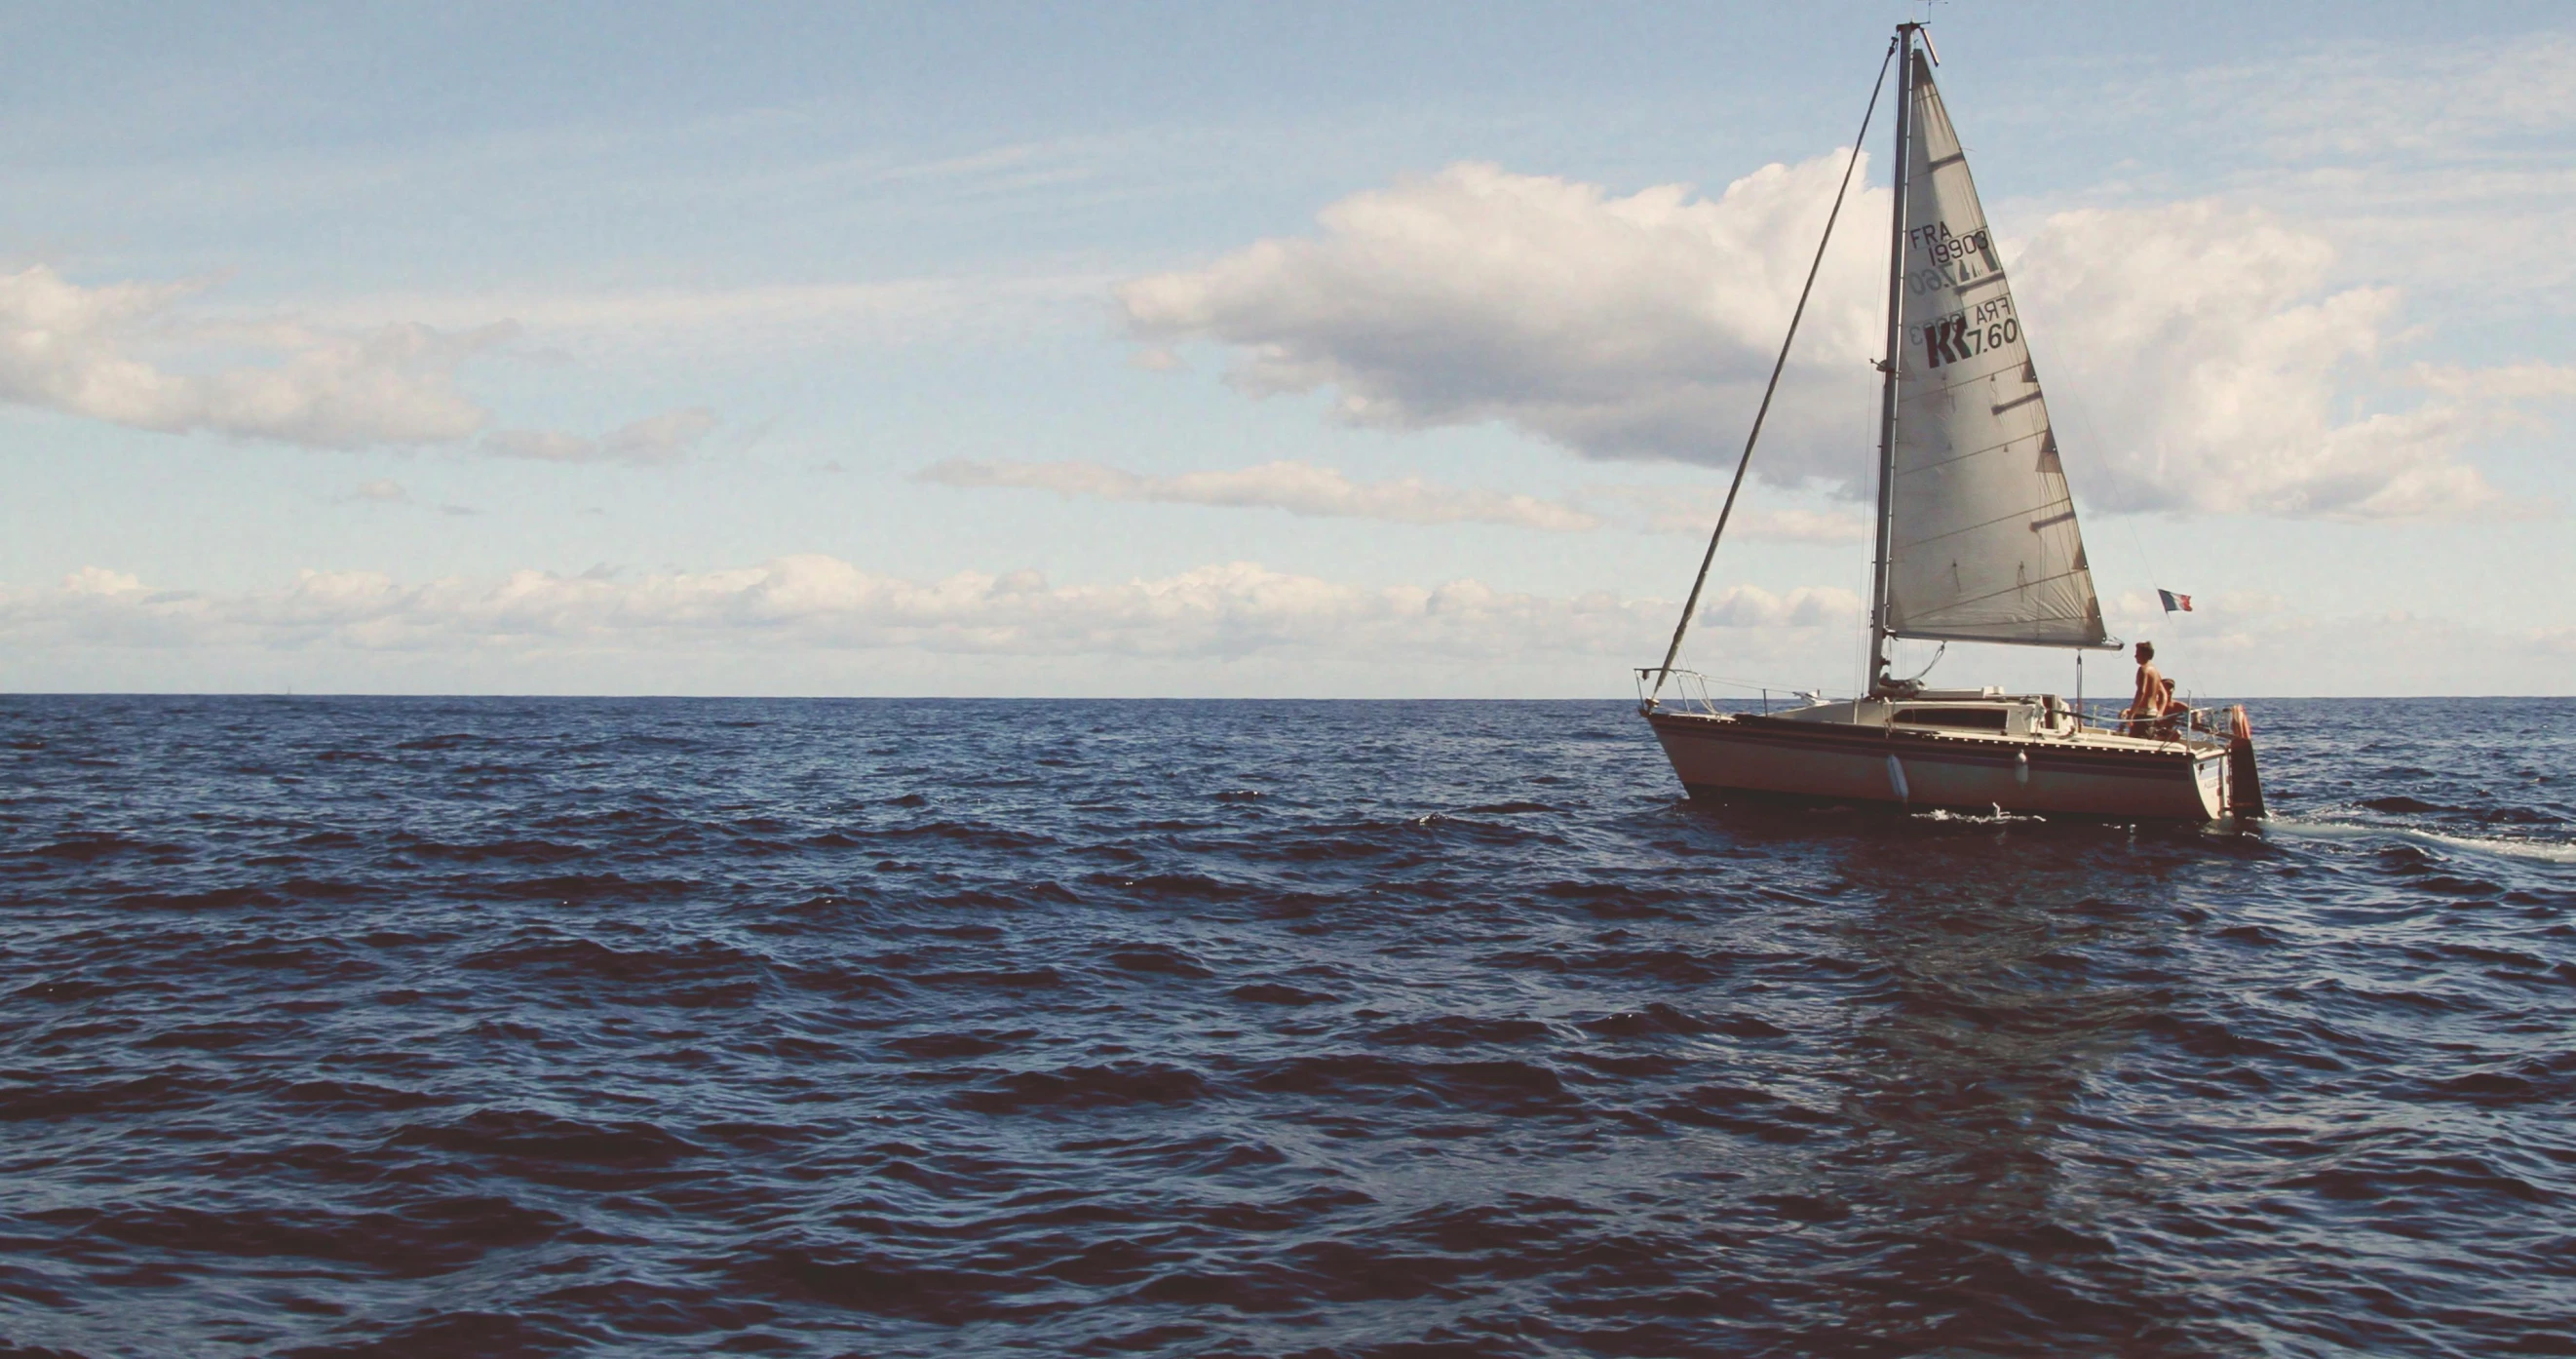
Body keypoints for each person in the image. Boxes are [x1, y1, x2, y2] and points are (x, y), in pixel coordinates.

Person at [2127, 641, 2166, 736]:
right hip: (2152, 713)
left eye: (2137, 653)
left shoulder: (2143, 669)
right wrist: (2160, 712)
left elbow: (2141, 692)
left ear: (2145, 654)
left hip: (2142, 714)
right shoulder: (2156, 671)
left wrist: (2131, 714)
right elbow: (2163, 695)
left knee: (2136, 742)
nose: (2135, 656)